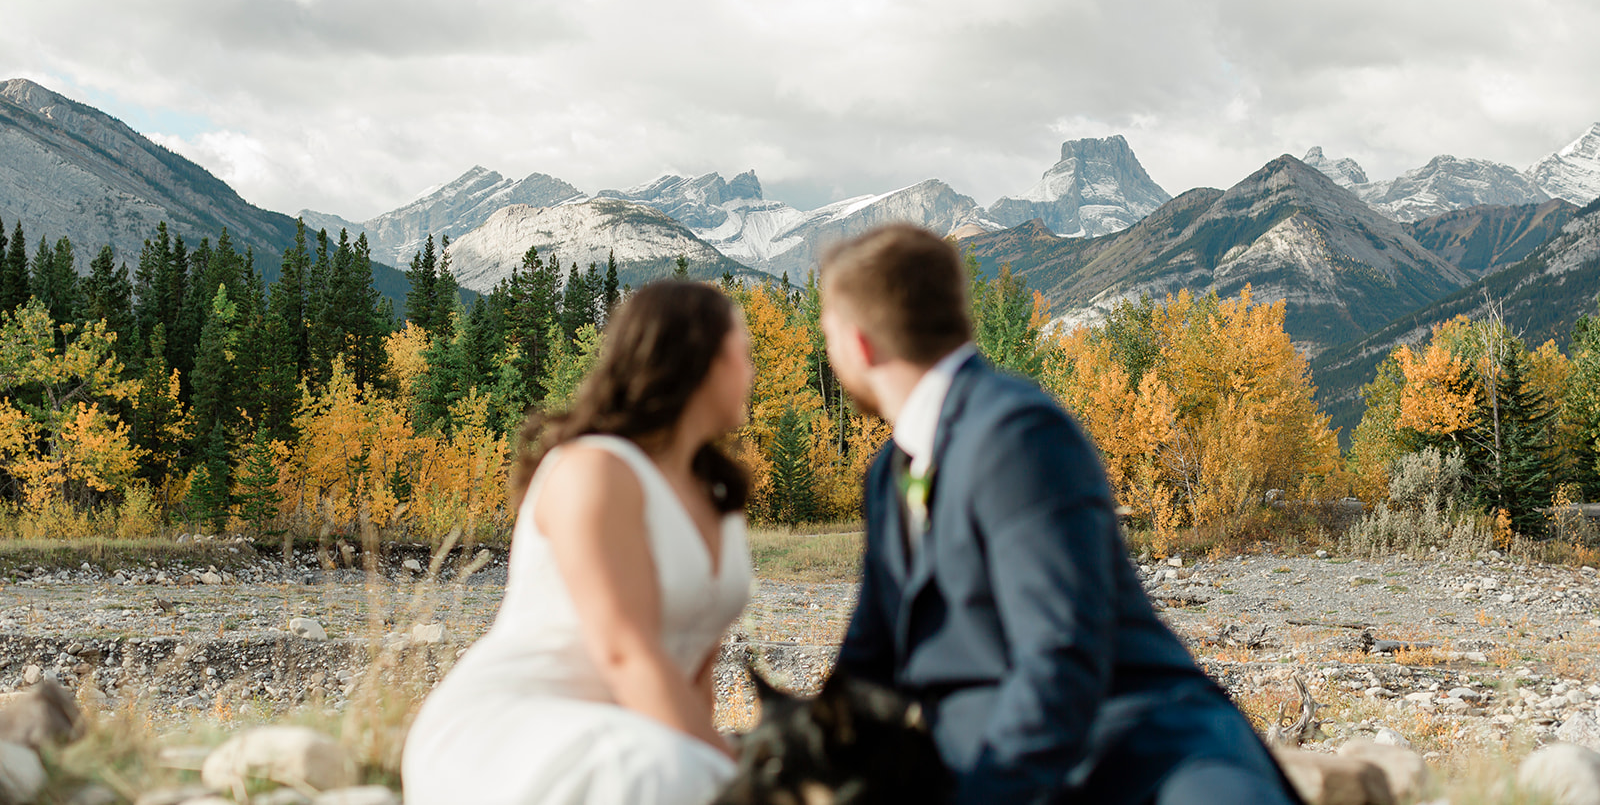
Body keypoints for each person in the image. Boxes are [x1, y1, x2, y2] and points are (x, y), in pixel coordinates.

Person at [819, 225, 1298, 805]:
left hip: (1136, 761)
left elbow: (1061, 660)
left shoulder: (1016, 434)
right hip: (988, 769)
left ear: (859, 344)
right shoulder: (888, 473)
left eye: (827, 333)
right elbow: (868, 660)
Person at [402, 281, 755, 805]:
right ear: (699, 360)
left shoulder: (716, 494)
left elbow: (696, 666)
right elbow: (624, 652)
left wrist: (710, 760)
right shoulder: (594, 470)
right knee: (669, 776)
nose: (752, 372)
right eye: (743, 354)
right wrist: (733, 779)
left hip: (641, 736)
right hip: (514, 731)